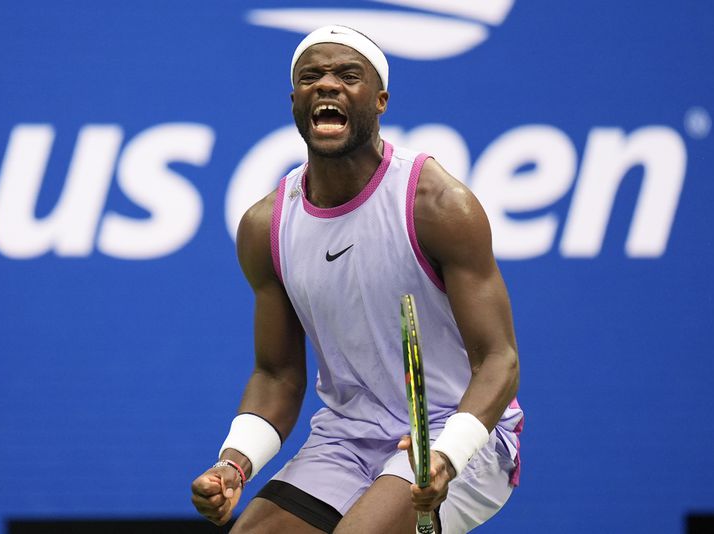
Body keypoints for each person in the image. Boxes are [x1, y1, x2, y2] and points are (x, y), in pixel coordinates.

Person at [191, 25, 523, 534]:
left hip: (456, 432)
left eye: (349, 75)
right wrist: (235, 463)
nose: (328, 85)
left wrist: (449, 454)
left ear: (381, 100)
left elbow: (498, 359)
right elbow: (277, 375)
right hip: (346, 437)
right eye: (312, 77)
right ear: (295, 99)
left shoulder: (437, 205)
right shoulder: (265, 227)